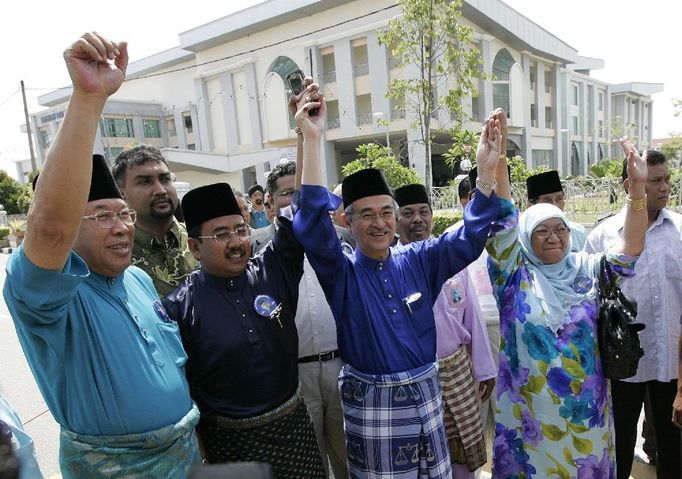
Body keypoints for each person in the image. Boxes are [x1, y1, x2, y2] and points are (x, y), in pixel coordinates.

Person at [3, 32, 200, 478]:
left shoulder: (139, 280)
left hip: (184, 455)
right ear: (71, 232)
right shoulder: (49, 298)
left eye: (124, 214)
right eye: (101, 217)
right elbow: (50, 228)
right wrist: (88, 100)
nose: (122, 226)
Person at [292, 80, 504, 478]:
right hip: (373, 408)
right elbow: (309, 224)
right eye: (366, 214)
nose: (379, 223)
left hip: (427, 397)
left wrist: (487, 176)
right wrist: (313, 138)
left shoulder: (419, 259)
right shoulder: (342, 272)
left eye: (386, 212)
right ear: (347, 222)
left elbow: (467, 238)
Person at [487, 137, 648, 478]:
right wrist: (498, 158)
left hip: (585, 420)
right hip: (529, 422)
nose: (553, 236)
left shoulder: (589, 269)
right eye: (541, 230)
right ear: (526, 236)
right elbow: (502, 217)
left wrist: (637, 191)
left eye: (560, 228)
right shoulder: (513, 275)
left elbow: (632, 247)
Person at [162, 183, 325, 478]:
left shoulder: (272, 270)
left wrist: (308, 137)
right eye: (221, 234)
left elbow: (303, 206)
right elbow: (182, 390)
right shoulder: (179, 307)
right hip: (230, 447)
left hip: (295, 432)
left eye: (240, 229)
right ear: (195, 247)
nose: (237, 241)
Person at [251, 159, 351, 478]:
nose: (296, 200)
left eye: (303, 191)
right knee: (310, 467)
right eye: (287, 193)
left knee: (351, 461)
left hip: (342, 370)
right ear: (269, 203)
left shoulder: (341, 240)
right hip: (294, 379)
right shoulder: (256, 251)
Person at [585, 149, 681, 479]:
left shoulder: (680, 231)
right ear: (632, 185)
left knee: (673, 445)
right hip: (621, 364)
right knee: (619, 443)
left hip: (672, 361)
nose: (665, 187)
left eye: (667, 179)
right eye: (655, 181)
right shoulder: (604, 235)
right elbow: (588, 298)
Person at [394, 183, 496, 478]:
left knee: (463, 458)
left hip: (458, 372)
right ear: (396, 219)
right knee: (425, 456)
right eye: (408, 213)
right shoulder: (389, 265)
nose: (417, 219)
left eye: (424, 211)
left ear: (432, 215)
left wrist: (484, 369)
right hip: (415, 377)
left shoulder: (451, 257)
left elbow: (472, 318)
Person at [112, 144, 197, 297]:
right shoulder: (115, 254)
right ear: (121, 193)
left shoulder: (202, 239)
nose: (160, 190)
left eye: (165, 179)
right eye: (144, 182)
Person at [526, 170, 587, 251]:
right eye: (547, 200)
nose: (555, 205)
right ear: (531, 206)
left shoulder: (578, 232)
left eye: (559, 199)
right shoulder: (521, 238)